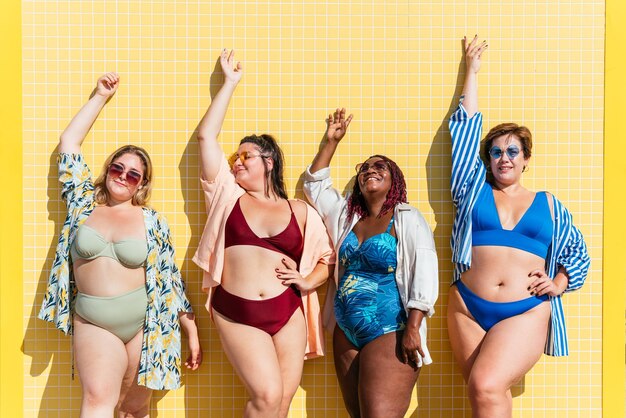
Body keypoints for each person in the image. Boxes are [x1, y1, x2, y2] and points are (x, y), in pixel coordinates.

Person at [38, 73, 201, 418]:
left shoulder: (151, 221)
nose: (123, 177)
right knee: (98, 400)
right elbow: (69, 143)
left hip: (146, 323)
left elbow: (169, 278)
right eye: (118, 168)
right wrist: (99, 95)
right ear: (108, 169)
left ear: (142, 183)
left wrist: (191, 330)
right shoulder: (83, 204)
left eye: (133, 175)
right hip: (94, 321)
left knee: (135, 409)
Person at [446, 36, 590, 417]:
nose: (503, 158)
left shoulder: (550, 206)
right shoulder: (472, 189)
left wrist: (559, 283)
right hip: (466, 307)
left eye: (512, 151)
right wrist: (471, 72)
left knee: (485, 384)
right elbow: (462, 135)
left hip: (525, 310)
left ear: (526, 159)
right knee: (488, 396)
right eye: (495, 151)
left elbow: (578, 253)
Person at [191, 49, 334, 418]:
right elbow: (206, 137)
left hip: (287, 312)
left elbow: (327, 258)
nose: (236, 161)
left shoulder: (299, 210)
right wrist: (229, 83)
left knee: (281, 405)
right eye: (235, 157)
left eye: (246, 156)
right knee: (267, 396)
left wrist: (306, 282)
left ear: (269, 162)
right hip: (236, 309)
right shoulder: (226, 194)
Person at [303, 108, 439, 418]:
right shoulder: (346, 217)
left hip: (391, 327)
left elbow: (424, 273)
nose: (369, 171)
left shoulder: (407, 218)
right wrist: (331, 141)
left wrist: (414, 328)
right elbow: (315, 186)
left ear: (395, 180)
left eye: (380, 167)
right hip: (345, 330)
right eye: (364, 168)